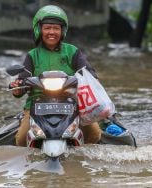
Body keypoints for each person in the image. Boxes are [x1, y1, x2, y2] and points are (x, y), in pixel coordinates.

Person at [10, 5, 101, 147]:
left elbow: (88, 71)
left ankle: (80, 156)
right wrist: (17, 87)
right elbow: (22, 80)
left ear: (62, 31)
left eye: (56, 28)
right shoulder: (33, 55)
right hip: (37, 104)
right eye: (47, 28)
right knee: (21, 140)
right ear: (39, 29)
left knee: (95, 134)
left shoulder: (72, 51)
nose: (51, 32)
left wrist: (92, 76)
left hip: (71, 102)